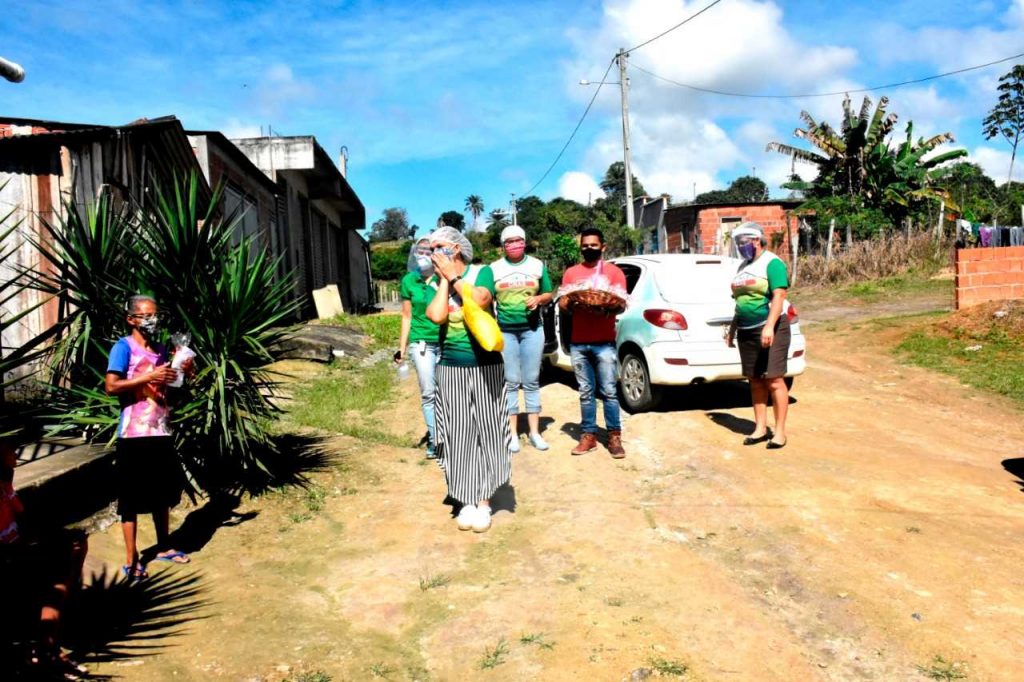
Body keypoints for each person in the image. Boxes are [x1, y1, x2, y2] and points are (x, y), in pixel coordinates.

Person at [425, 226, 511, 533]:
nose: (432, 253)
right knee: (459, 435)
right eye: (430, 248)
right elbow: (436, 316)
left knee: (487, 432)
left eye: (438, 247)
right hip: (450, 367)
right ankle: (465, 500)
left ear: (456, 249)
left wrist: (454, 277)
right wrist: (444, 281)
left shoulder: (481, 272)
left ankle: (485, 502)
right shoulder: (437, 281)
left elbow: (481, 299)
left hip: (485, 366)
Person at [105, 295, 194, 579]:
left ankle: (164, 546)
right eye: (146, 316)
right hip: (133, 434)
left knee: (161, 494)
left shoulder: (160, 349)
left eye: (155, 315)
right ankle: (132, 559)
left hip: (160, 429)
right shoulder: (122, 348)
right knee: (129, 499)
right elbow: (111, 386)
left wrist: (183, 372)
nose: (153, 321)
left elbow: (168, 386)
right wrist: (148, 377)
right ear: (131, 319)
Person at [0, 437, 88, 678]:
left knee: (76, 543)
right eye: (11, 452)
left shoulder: (5, 483)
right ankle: (48, 650)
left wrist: (47, 537)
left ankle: (50, 642)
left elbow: (23, 516)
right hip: (8, 556)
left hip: (17, 547)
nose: (16, 457)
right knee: (55, 579)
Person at [558, 227, 627, 458]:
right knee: (586, 392)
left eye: (593, 245)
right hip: (579, 342)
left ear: (603, 247)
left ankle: (614, 436)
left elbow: (621, 304)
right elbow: (563, 304)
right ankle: (589, 436)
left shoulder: (614, 272)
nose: (588, 249)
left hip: (604, 341)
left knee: (608, 390)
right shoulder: (571, 273)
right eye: (585, 245)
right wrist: (570, 304)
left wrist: (605, 307)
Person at [725, 222, 791, 449]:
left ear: (756, 241)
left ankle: (779, 432)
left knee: (774, 379)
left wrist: (769, 327)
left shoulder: (772, 263)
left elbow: (779, 295)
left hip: (771, 327)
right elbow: (740, 301)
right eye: (738, 243)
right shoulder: (742, 266)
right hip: (746, 330)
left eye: (744, 242)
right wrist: (733, 328)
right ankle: (760, 428)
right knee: (755, 380)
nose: (741, 247)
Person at [490, 224, 554, 452]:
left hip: (532, 330)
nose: (514, 245)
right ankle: (513, 434)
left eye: (518, 240)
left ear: (525, 242)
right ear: (503, 246)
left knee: (531, 380)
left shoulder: (537, 265)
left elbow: (548, 292)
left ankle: (535, 432)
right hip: (505, 330)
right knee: (510, 381)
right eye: (509, 242)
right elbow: (485, 297)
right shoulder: (494, 268)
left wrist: (539, 300)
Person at [396, 238, 442, 458]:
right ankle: (435, 440)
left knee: (449, 392)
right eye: (420, 250)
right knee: (429, 393)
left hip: (446, 340)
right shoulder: (409, 281)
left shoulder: (444, 278)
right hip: (421, 342)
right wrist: (402, 348)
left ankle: (453, 435)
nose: (424, 254)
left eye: (429, 250)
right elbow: (406, 315)